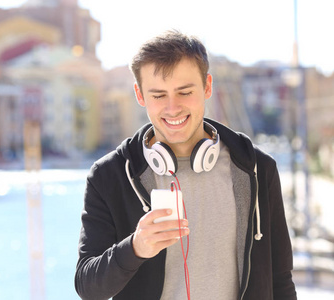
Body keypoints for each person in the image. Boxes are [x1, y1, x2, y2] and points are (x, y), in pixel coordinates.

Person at [74, 29, 297, 300]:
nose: (172, 108)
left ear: (207, 87)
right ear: (140, 94)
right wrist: (135, 247)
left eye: (184, 92)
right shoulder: (108, 176)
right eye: (158, 95)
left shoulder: (259, 168)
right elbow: (87, 286)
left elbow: (281, 279)